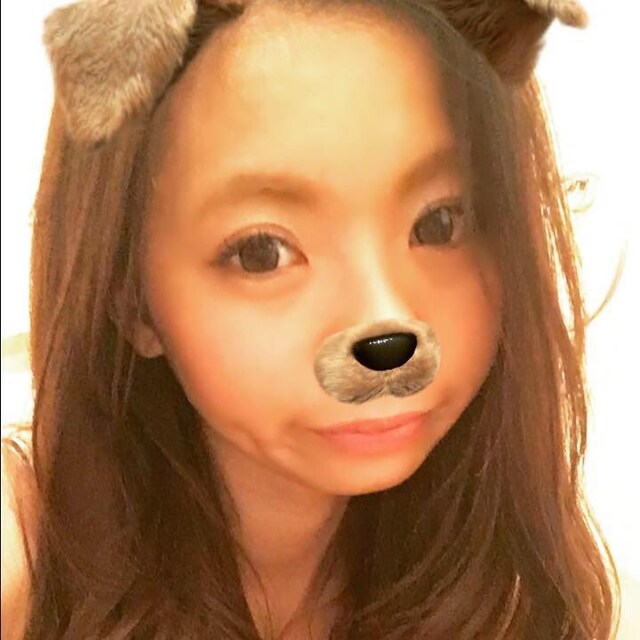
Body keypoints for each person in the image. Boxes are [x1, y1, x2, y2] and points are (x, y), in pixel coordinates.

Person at [1, 0, 618, 638]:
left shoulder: (505, 572)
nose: (388, 326)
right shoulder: (25, 559)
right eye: (261, 252)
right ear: (131, 299)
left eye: (440, 223)